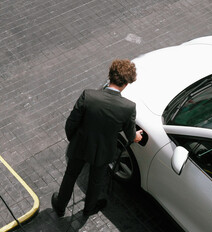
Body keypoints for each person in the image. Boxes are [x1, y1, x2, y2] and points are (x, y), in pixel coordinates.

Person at [51, 59, 143, 217]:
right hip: (104, 151)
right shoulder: (128, 107)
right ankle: (89, 209)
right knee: (96, 181)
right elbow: (130, 135)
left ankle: (60, 206)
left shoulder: (88, 95)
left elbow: (71, 123)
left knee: (70, 175)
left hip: (80, 145)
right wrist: (137, 136)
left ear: (110, 76)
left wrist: (74, 141)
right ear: (126, 84)